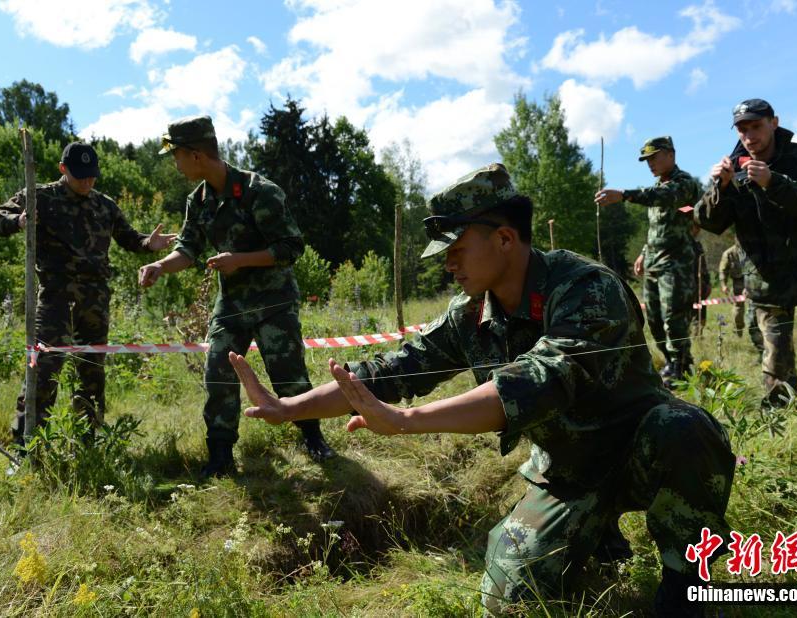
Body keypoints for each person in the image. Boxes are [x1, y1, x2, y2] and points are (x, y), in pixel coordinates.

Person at [230, 164, 735, 616]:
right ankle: (597, 535)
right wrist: (289, 408)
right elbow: (390, 370)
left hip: (640, 453)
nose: (448, 264)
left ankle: (684, 579)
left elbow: (538, 382)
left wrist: (407, 422)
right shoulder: (470, 311)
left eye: (456, 250)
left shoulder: (586, 288)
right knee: (509, 598)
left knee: (682, 428)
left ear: (506, 239)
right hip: (568, 471)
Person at [138, 115, 334, 477]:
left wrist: (239, 260)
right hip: (231, 305)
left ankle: (313, 438)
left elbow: (291, 246)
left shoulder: (260, 191)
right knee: (218, 373)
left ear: (196, 155)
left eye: (176, 156)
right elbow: (188, 249)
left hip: (274, 301)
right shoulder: (197, 200)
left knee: (288, 373)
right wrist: (161, 267)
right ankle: (221, 457)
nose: (175, 164)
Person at [0, 142, 176, 446]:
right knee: (43, 370)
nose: (88, 181)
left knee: (92, 372)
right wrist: (18, 221)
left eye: (92, 176)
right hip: (56, 300)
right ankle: (27, 445)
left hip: (95, 301)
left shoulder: (105, 205)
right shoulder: (40, 196)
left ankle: (87, 441)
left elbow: (129, 238)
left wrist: (149, 245)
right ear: (63, 170)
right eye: (80, 176)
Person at [696, 98, 797, 409]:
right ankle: (781, 440)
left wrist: (774, 182)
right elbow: (708, 222)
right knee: (775, 370)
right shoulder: (733, 173)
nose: (749, 135)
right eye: (742, 129)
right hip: (768, 287)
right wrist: (721, 187)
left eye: (756, 126)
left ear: (774, 122)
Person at [596, 136, 702, 386]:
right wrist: (644, 252)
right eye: (646, 160)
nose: (649, 164)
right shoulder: (657, 188)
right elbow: (657, 227)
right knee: (653, 319)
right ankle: (669, 362)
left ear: (670, 155)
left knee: (673, 317)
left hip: (675, 263)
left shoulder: (683, 184)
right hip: (654, 262)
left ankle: (681, 366)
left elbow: (664, 197)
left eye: (653, 157)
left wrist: (623, 195)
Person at [719, 241, 765, 355]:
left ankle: (759, 333)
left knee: (754, 308)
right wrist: (724, 285)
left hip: (753, 282)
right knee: (738, 308)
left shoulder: (751, 249)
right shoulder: (729, 253)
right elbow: (722, 270)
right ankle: (738, 330)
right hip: (738, 283)